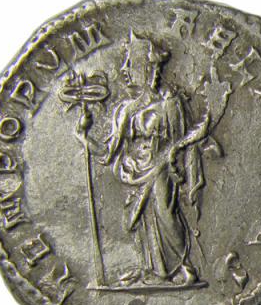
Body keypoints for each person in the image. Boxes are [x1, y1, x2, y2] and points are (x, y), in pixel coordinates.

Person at [79, 31, 231, 287]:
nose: (124, 70)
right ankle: (153, 270)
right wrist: (83, 137)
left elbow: (185, 138)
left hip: (162, 169)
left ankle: (183, 267)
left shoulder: (170, 104)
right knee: (143, 223)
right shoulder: (126, 109)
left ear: (145, 67)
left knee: (166, 214)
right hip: (136, 170)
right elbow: (108, 152)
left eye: (130, 63)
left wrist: (177, 149)